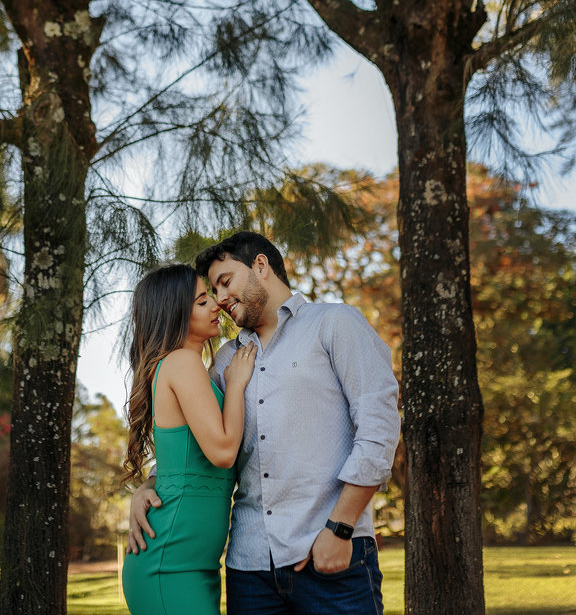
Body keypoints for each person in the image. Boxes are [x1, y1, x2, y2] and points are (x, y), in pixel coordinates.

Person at [127, 232, 401, 615]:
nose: (220, 300)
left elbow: (380, 428)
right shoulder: (225, 360)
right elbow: (196, 434)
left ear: (260, 265)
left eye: (225, 282)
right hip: (250, 569)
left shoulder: (335, 323)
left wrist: (341, 528)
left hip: (329, 555)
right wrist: (152, 484)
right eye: (211, 291)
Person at [120, 263, 260, 615]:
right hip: (169, 562)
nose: (216, 304)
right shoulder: (182, 362)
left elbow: (179, 455)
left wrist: (147, 484)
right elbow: (223, 452)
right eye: (202, 301)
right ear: (174, 314)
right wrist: (238, 384)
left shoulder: (188, 367)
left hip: (194, 564)